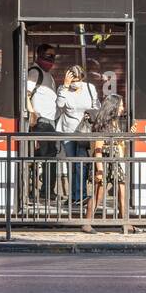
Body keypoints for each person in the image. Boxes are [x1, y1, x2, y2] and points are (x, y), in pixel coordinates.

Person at [81, 94, 140, 234]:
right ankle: (86, 223)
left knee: (122, 191)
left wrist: (128, 135)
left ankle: (125, 223)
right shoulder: (102, 125)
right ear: (112, 107)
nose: (122, 108)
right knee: (97, 194)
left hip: (114, 162)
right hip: (103, 162)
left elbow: (116, 141)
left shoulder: (114, 123)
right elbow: (98, 150)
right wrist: (99, 171)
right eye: (120, 105)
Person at [54, 64, 98, 210]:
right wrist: (65, 86)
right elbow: (60, 105)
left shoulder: (90, 88)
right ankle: (73, 196)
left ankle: (80, 196)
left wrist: (90, 113)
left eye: (78, 79)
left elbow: (96, 106)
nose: (75, 83)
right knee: (71, 164)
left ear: (83, 78)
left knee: (81, 163)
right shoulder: (63, 89)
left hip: (85, 132)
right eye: (73, 80)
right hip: (68, 130)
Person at [25, 43, 59, 200]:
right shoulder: (35, 72)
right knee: (47, 157)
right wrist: (32, 113)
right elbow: (25, 94)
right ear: (39, 56)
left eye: (53, 57)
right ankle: (45, 191)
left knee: (47, 156)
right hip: (41, 122)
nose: (51, 60)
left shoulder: (49, 76)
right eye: (48, 56)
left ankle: (42, 190)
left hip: (51, 121)